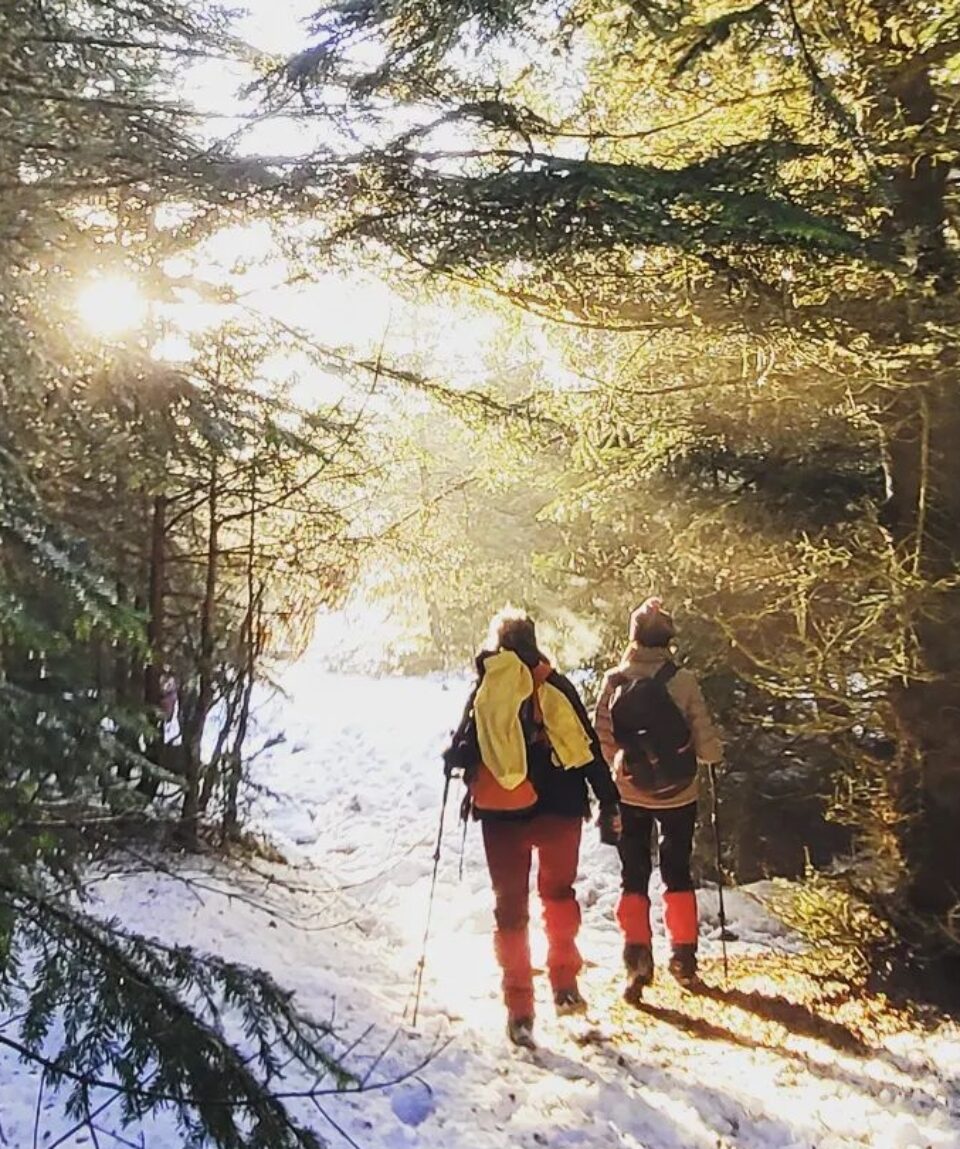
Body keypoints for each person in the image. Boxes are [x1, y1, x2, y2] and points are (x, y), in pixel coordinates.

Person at [444, 608, 622, 1049]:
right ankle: (564, 984)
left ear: (498, 643)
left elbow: (463, 749)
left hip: (501, 816)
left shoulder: (487, 689)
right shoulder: (556, 684)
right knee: (558, 896)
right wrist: (608, 798)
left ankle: (519, 1009)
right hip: (561, 810)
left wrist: (455, 760)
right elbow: (588, 747)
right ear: (534, 640)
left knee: (510, 910)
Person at [593, 598, 722, 1000]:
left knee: (633, 875)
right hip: (679, 794)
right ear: (668, 640)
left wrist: (621, 767)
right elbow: (706, 742)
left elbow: (602, 737)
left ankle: (637, 961)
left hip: (631, 793)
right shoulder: (683, 680)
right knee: (677, 871)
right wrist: (711, 755)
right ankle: (683, 957)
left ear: (633, 637)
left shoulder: (615, 680)